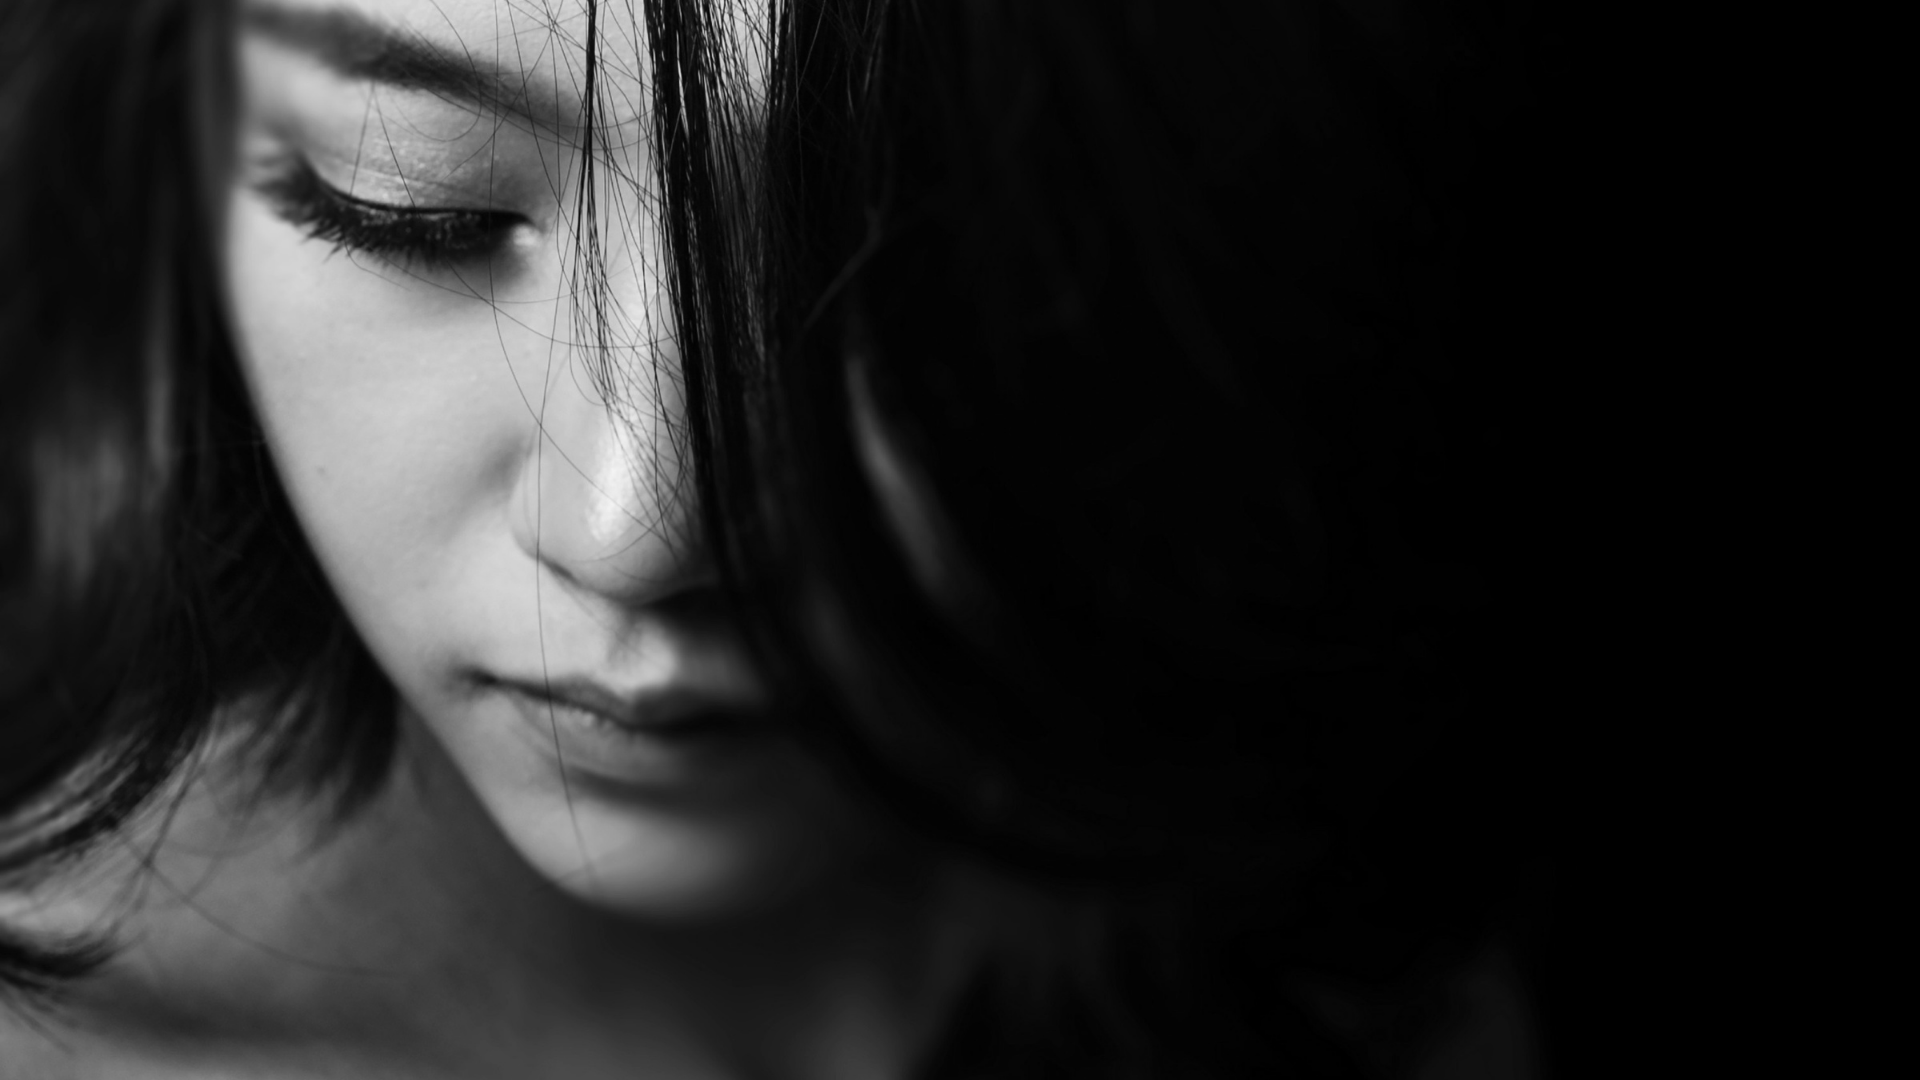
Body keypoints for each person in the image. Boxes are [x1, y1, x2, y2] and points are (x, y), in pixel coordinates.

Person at [2, 0, 1562, 1077]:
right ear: (170, 137)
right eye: (417, 202)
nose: (638, 527)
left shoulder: (1396, 918)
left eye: (889, 246)